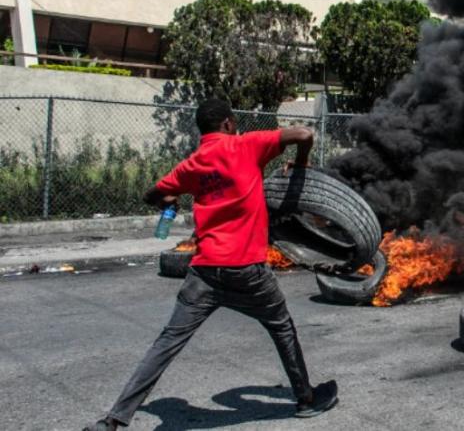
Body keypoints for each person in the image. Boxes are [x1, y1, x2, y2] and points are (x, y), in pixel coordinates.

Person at [84, 99, 337, 430]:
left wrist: (171, 199)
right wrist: (300, 165)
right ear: (229, 124)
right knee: (281, 328)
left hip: (204, 272)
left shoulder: (192, 165)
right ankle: (305, 399)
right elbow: (303, 133)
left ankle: (112, 421)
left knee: (167, 343)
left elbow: (152, 193)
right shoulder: (246, 145)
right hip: (249, 270)